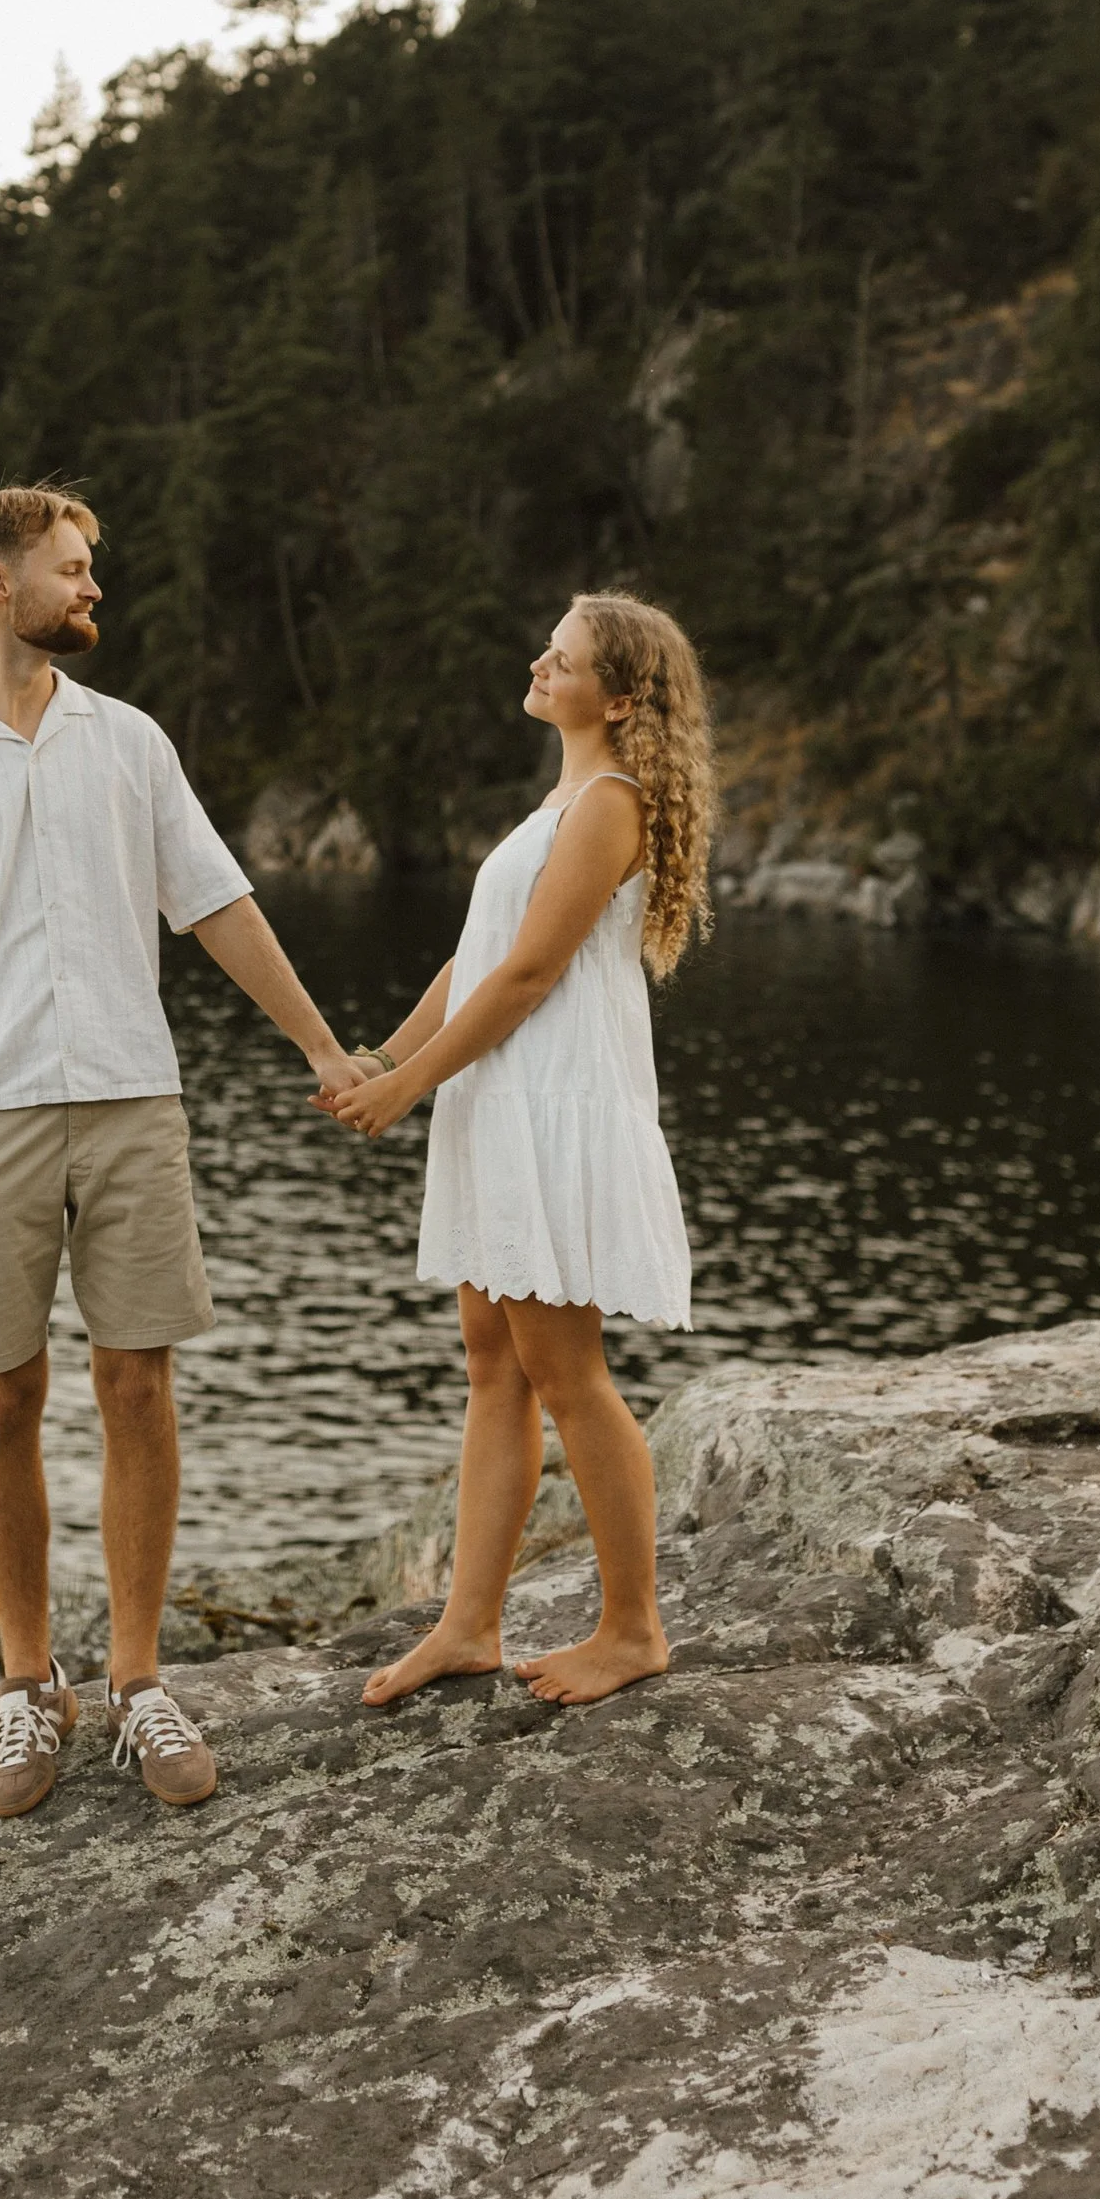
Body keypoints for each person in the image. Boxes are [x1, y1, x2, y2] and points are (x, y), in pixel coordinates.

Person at [0, 482, 356, 1819]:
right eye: (73, 569)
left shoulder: (129, 743)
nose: (94, 589)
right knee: (2, 1399)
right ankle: (30, 1686)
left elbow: (218, 903)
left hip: (135, 1101)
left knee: (138, 1383)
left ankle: (137, 1682)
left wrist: (318, 1044)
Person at [317, 590, 713, 1708]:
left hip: (551, 1104)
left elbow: (531, 978)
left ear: (620, 697)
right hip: (500, 1098)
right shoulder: (562, 798)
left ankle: (633, 1629)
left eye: (566, 657)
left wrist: (406, 1087)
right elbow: (479, 956)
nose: (540, 662)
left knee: (566, 1375)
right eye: (548, 648)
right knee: (493, 1365)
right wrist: (376, 1056)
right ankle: (468, 1625)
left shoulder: (608, 803)